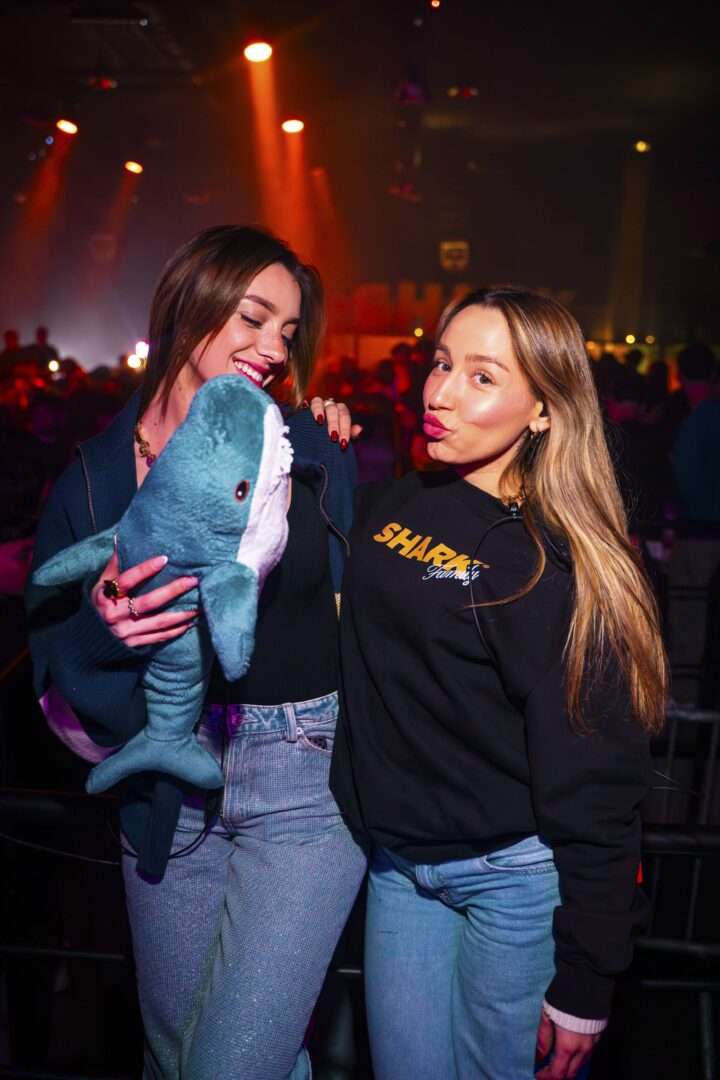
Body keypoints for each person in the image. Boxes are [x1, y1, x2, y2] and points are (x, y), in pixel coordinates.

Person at [26, 225, 367, 1080]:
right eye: (253, 317)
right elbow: (53, 676)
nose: (273, 347)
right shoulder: (95, 476)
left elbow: (364, 606)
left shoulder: (310, 452)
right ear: (190, 306)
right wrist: (102, 631)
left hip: (303, 783)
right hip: (167, 793)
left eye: (288, 331)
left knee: (232, 1066)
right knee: (177, 1059)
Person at [330, 286, 667, 1080]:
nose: (441, 392)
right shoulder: (397, 502)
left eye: (482, 377)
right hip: (400, 868)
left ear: (543, 410)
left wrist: (587, 978)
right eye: (442, 363)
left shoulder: (553, 565)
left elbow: (599, 783)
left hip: (514, 879)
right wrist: (310, 436)